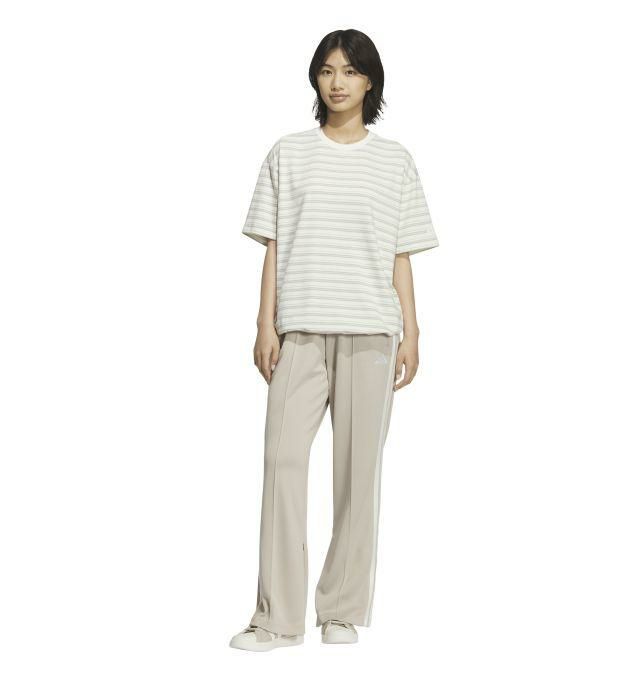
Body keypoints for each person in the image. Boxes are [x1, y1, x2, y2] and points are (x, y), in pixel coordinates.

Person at [229, 28, 439, 652]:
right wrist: (265, 323)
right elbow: (272, 246)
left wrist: (412, 331)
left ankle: (341, 610)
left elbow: (401, 255)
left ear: (370, 80)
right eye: (327, 70)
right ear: (315, 79)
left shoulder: (395, 161)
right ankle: (276, 618)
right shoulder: (287, 154)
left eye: (349, 70)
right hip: (300, 330)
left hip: (372, 331)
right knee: (282, 464)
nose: (337, 82)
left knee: (357, 474)